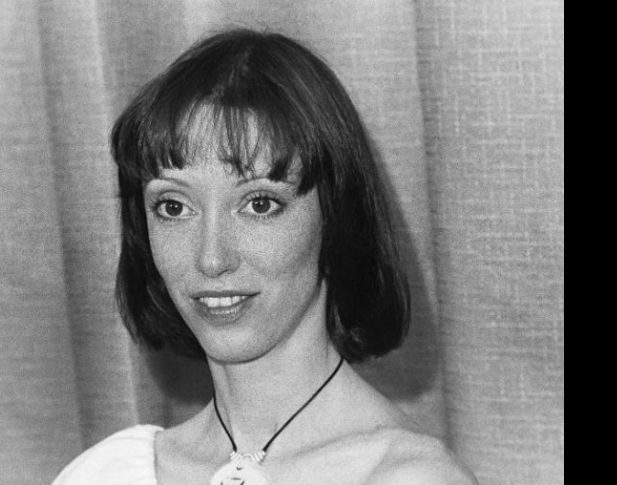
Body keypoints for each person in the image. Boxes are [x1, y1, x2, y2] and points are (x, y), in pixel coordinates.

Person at [53, 28, 477, 485]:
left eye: (259, 204)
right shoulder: (106, 472)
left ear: (336, 218)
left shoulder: (407, 477)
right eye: (174, 207)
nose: (211, 259)